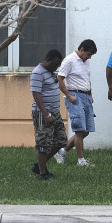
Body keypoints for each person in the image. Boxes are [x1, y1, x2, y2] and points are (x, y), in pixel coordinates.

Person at [55, 39, 97, 166]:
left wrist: (90, 94)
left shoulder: (86, 62)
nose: (89, 57)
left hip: (86, 97)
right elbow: (60, 79)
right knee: (79, 130)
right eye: (89, 54)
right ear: (82, 49)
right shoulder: (69, 60)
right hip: (75, 96)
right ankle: (81, 160)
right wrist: (68, 96)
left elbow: (86, 79)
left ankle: (62, 151)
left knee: (86, 131)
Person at [30, 49, 67, 180]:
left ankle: (40, 165)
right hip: (42, 113)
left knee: (61, 140)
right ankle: (43, 173)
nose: (56, 67)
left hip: (55, 112)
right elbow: (36, 94)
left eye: (58, 65)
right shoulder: (37, 72)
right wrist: (46, 115)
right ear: (48, 60)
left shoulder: (51, 73)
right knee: (43, 143)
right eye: (55, 64)